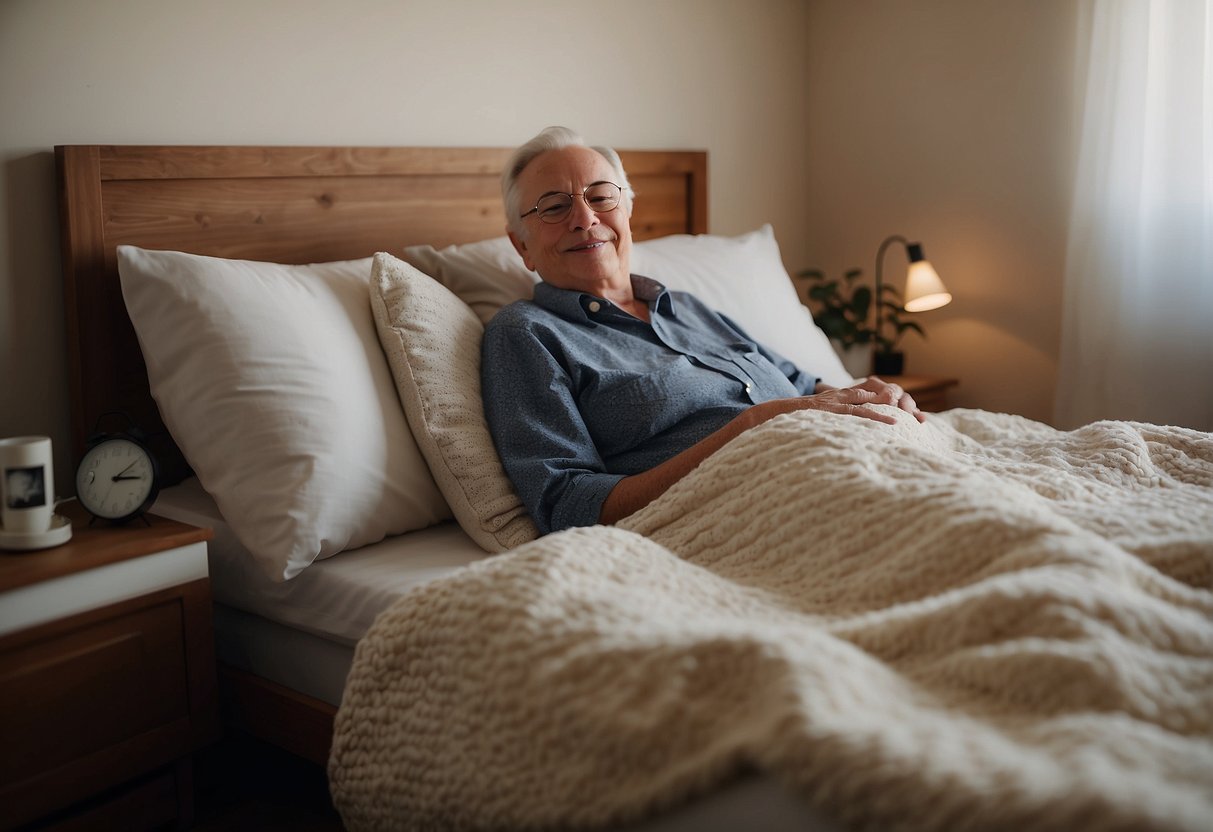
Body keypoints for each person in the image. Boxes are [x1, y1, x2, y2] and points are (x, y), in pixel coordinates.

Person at [482, 126, 922, 535]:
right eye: (555, 206)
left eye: (600, 197)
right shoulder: (527, 334)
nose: (583, 217)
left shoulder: (686, 306)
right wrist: (747, 429)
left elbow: (803, 383)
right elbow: (567, 504)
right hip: (759, 507)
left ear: (628, 211)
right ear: (522, 245)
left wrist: (872, 396)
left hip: (861, 455)